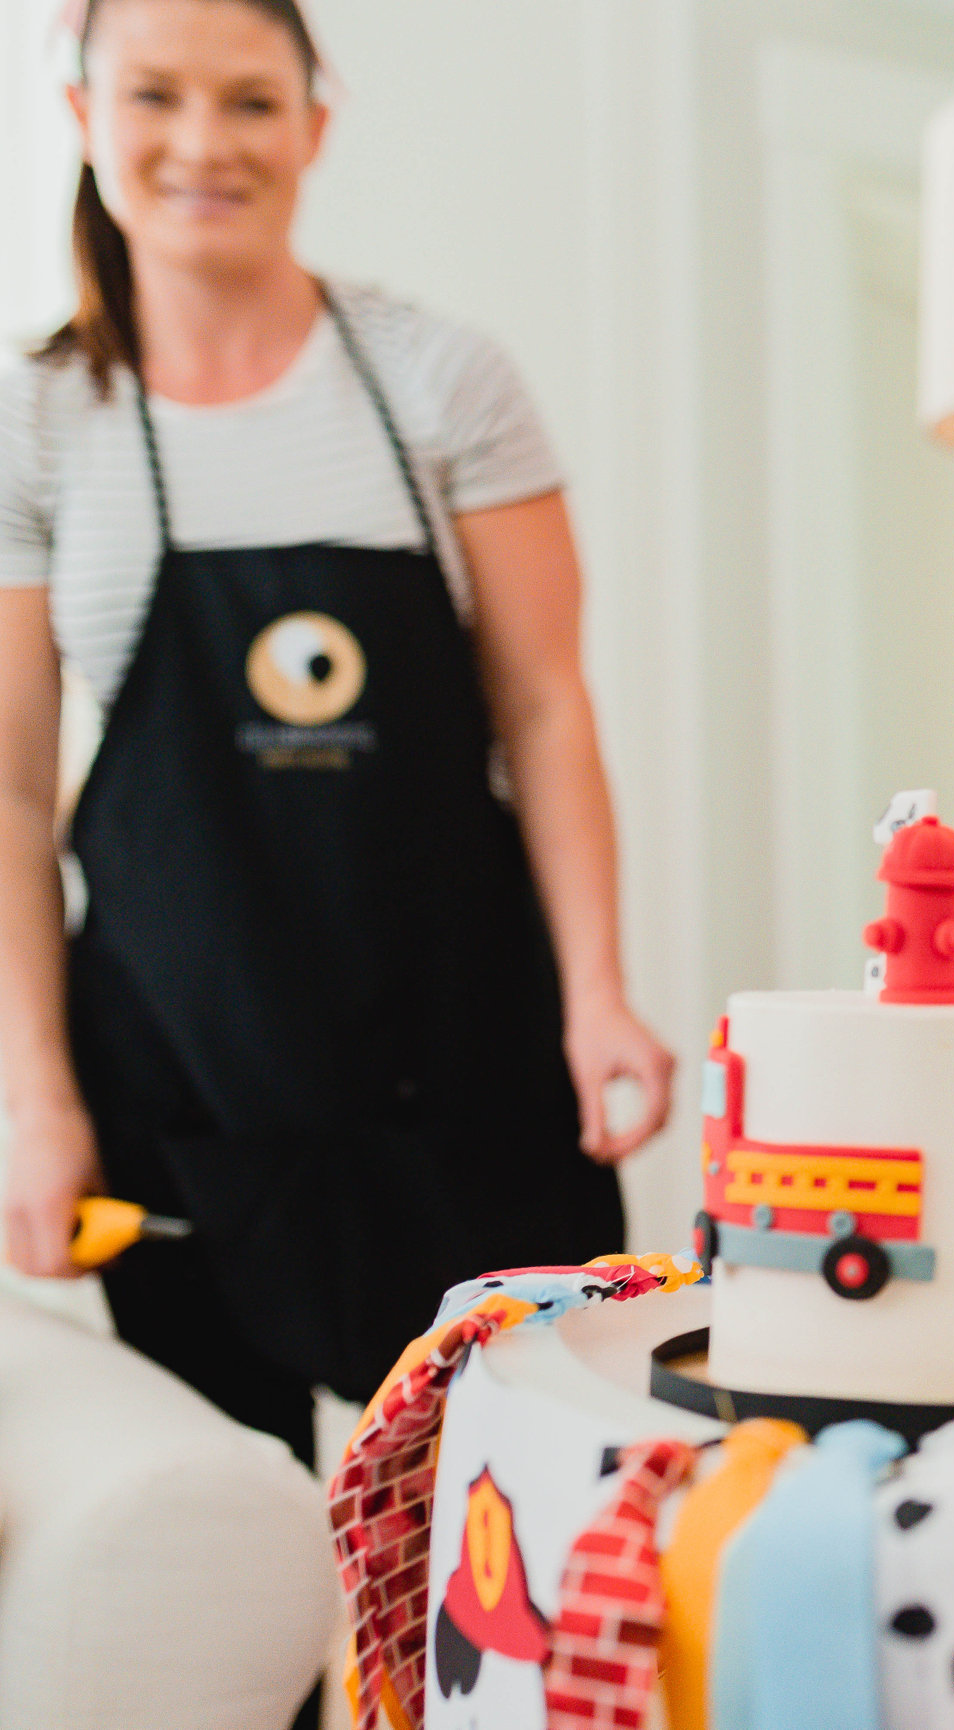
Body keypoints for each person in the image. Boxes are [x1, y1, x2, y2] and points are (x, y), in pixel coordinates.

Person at [0, 0, 672, 1470]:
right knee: (231, 1557)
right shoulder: (42, 419)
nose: (201, 143)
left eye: (249, 102)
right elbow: (10, 787)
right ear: (82, 111)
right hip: (182, 1091)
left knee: (502, 1529)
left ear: (316, 119)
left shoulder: (444, 380)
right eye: (155, 98)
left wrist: (598, 992)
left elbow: (548, 702)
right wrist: (35, 1098)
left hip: (467, 1070)